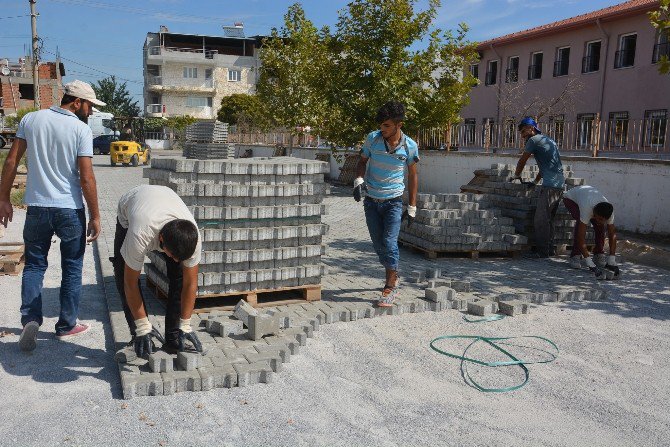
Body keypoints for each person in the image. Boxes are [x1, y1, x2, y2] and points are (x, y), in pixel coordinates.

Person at [0, 80, 103, 351]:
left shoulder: (31, 120)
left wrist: (3, 198)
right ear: (77, 102)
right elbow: (86, 177)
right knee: (72, 267)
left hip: (37, 207)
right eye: (90, 105)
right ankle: (67, 325)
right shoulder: (80, 130)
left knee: (34, 265)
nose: (91, 112)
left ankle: (30, 320)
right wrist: (95, 215)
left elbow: (11, 161)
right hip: (70, 210)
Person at [111, 185, 203, 357]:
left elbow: (190, 283)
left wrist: (186, 324)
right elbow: (130, 283)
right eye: (173, 256)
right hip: (132, 207)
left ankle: (174, 338)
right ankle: (139, 334)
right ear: (161, 240)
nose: (176, 260)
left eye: (180, 258)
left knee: (180, 276)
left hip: (165, 199)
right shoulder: (140, 234)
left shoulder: (193, 238)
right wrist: (143, 325)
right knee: (122, 272)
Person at [353, 101, 419, 307]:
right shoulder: (373, 139)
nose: (382, 129)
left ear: (398, 125)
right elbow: (362, 161)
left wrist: (413, 206)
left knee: (390, 243)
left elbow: (413, 175)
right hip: (372, 201)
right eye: (381, 125)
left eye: (387, 126)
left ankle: (389, 286)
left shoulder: (409, 146)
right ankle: (393, 271)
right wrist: (358, 181)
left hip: (393, 203)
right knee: (378, 244)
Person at [512, 117, 565, 257]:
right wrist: (535, 182)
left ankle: (542, 252)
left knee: (540, 220)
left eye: (524, 131)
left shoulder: (533, 140)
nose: (523, 135)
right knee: (549, 220)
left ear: (532, 128)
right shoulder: (549, 141)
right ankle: (550, 250)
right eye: (521, 133)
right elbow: (546, 166)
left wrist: (516, 176)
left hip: (550, 186)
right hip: (559, 184)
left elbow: (522, 161)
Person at [563, 185, 620, 279]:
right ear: (593, 212)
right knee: (580, 223)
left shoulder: (609, 212)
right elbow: (581, 237)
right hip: (570, 199)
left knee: (600, 226)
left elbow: (612, 235)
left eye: (603, 219)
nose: (600, 221)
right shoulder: (587, 209)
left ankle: (598, 254)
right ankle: (575, 255)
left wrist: (612, 259)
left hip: (587, 197)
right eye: (599, 218)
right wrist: (589, 263)